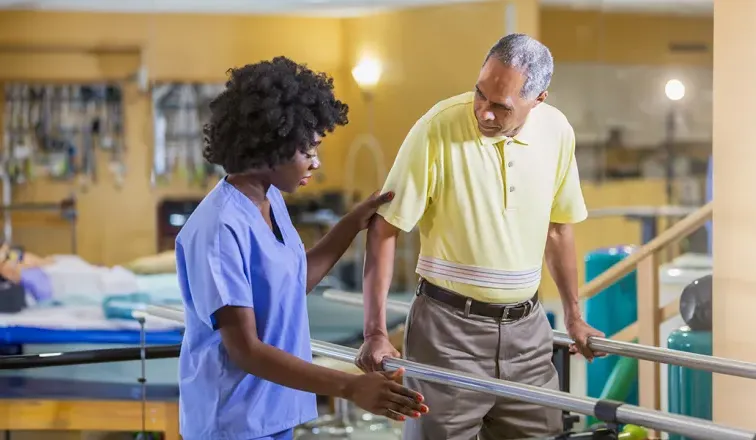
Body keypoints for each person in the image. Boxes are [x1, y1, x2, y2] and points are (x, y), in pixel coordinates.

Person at [356, 34, 605, 440]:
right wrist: (375, 332)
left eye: (500, 106)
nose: (484, 113)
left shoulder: (557, 131)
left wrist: (575, 317)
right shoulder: (437, 127)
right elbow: (386, 227)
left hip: (529, 335)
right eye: (480, 95)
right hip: (447, 333)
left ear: (539, 99)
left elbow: (559, 229)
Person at [175, 57, 428, 440]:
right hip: (231, 420)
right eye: (308, 152)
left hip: (273, 411)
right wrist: (350, 387)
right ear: (270, 147)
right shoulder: (219, 228)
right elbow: (245, 350)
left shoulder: (270, 199)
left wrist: (350, 224)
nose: (316, 163)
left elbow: (290, 284)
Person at [0, 244, 141, 304]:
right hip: (52, 282)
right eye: (8, 257)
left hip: (50, 268)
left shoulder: (40, 265)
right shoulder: (30, 277)